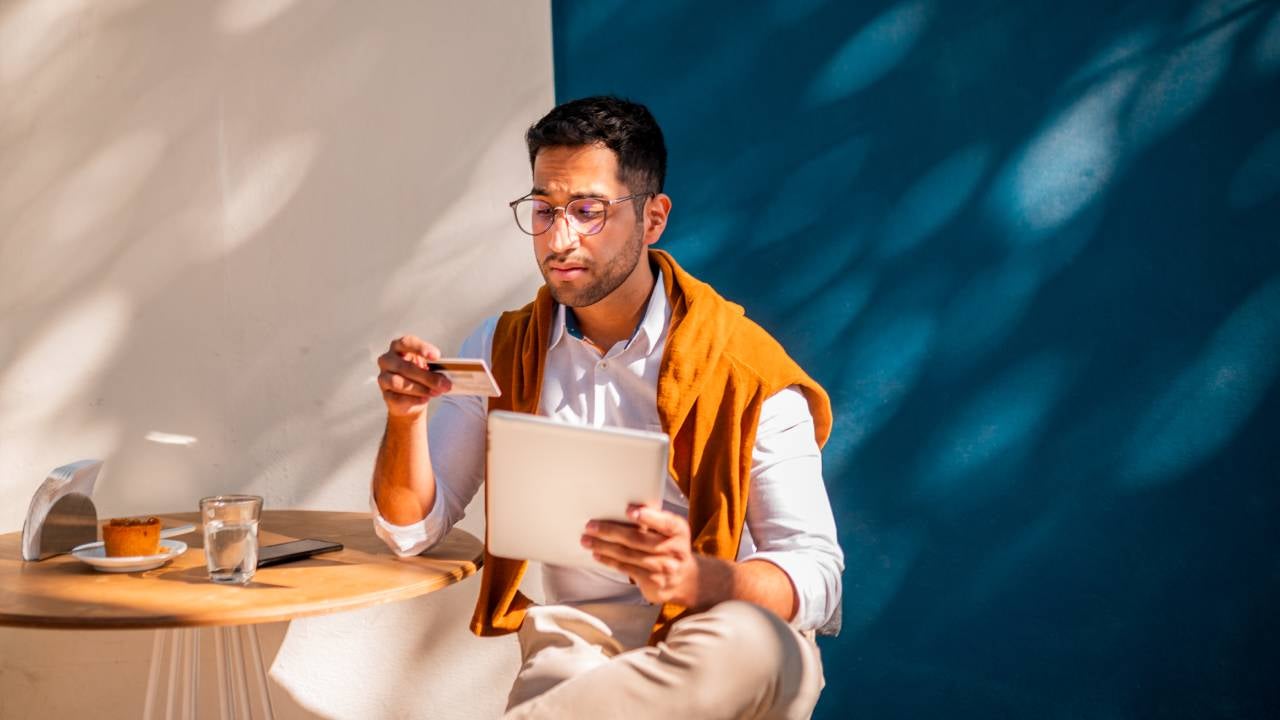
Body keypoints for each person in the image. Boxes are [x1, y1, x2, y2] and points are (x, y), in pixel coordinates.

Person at [370, 96, 843, 719]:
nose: (559, 238)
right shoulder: (503, 349)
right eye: (543, 210)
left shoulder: (745, 368)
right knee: (565, 670)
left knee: (754, 644)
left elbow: (819, 578)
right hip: (577, 642)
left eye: (588, 211)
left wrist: (702, 578)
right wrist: (404, 419)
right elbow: (409, 533)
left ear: (653, 218)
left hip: (716, 629)